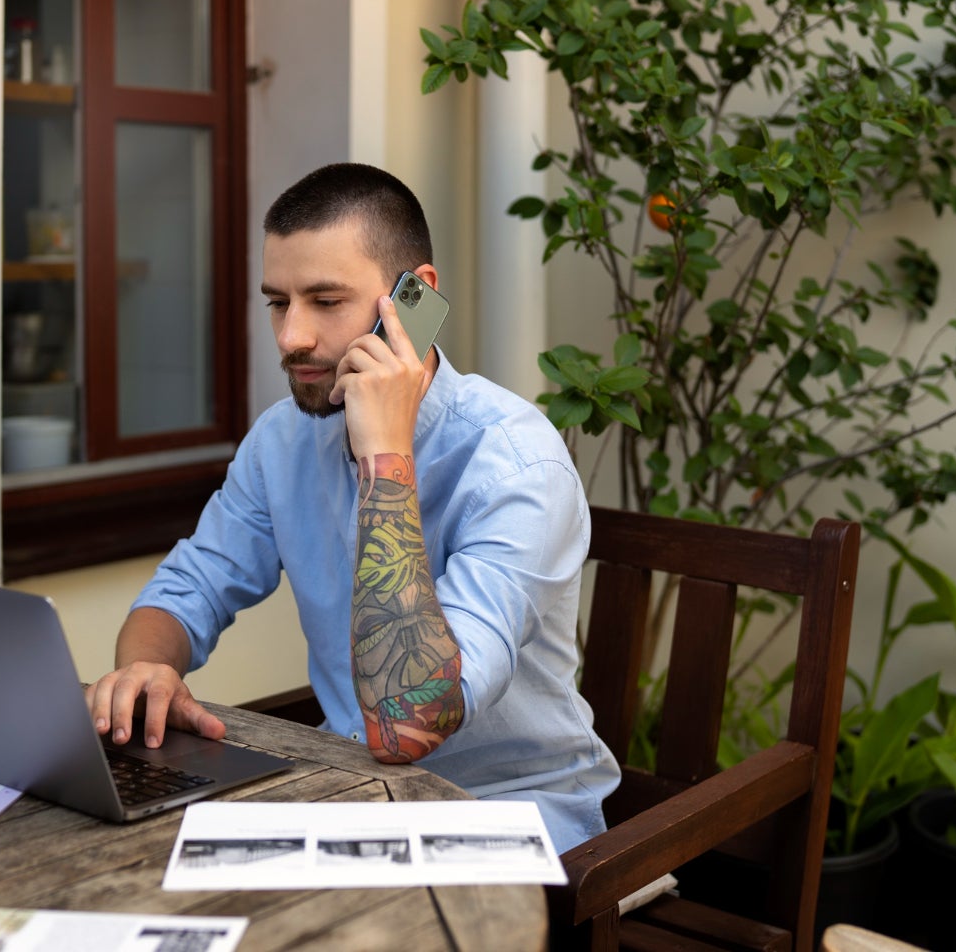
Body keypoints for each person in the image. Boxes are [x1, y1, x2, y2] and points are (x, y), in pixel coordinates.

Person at [85, 162, 619, 851]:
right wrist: (148, 669)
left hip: (507, 815)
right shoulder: (283, 440)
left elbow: (410, 725)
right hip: (348, 795)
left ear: (413, 299)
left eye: (326, 301)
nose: (291, 337)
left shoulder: (517, 464)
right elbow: (185, 592)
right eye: (278, 302)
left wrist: (385, 455)